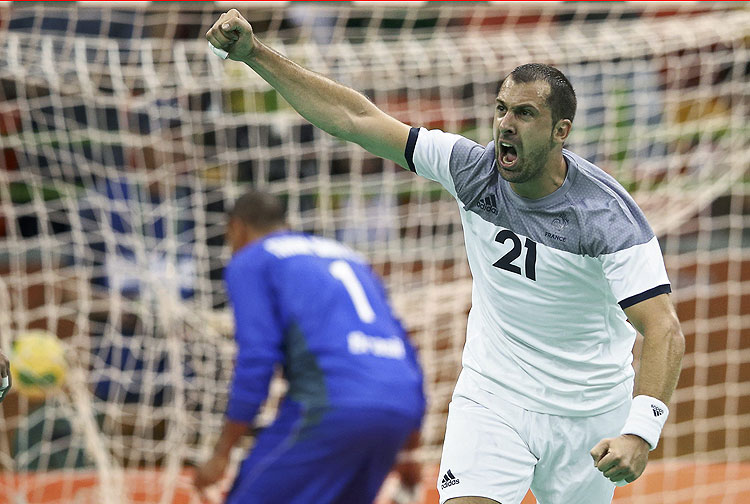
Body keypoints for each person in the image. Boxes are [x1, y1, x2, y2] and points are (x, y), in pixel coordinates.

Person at [206, 10, 685, 504]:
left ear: (561, 130)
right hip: (494, 395)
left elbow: (663, 328)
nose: (505, 124)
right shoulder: (473, 170)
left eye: (524, 114)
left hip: (589, 410)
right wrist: (256, 56)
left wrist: (640, 431)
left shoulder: (607, 217)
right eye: (501, 109)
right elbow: (357, 119)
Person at [192, 190, 425, 503]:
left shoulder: (252, 259)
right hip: (401, 405)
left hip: (334, 405)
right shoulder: (348, 255)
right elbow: (406, 352)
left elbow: (257, 358)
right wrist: (409, 451)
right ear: (286, 223)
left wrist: (222, 453)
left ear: (236, 228)